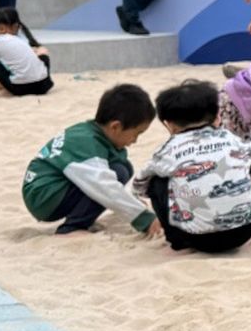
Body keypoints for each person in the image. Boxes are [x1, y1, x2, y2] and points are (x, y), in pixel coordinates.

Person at [133, 79, 251, 254]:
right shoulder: (231, 138)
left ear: (169, 124)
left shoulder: (167, 150)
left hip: (197, 239)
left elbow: (140, 182)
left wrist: (148, 194)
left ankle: (176, 241)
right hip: (247, 230)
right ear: (218, 116)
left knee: (157, 180)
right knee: (243, 163)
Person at [22, 83, 162, 237]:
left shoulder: (92, 132)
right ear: (115, 127)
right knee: (118, 172)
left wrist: (130, 202)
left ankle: (81, 218)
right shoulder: (86, 144)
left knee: (122, 166)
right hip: (45, 197)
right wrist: (143, 218)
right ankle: (73, 227)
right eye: (137, 133)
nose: (135, 140)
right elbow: (104, 186)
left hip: (50, 189)